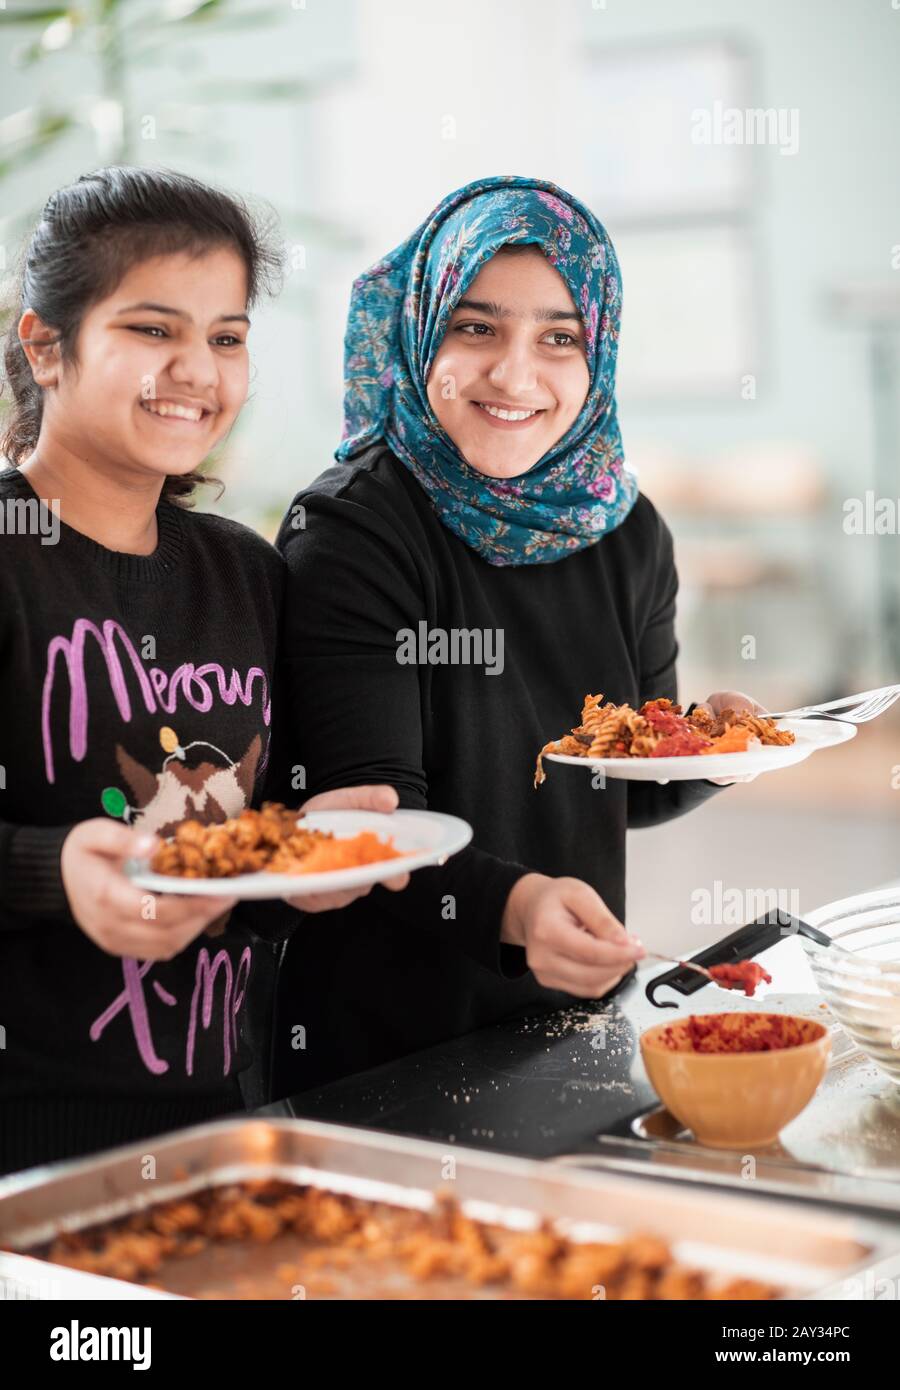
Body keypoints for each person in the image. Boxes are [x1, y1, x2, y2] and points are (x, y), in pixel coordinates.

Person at [272, 174, 762, 1097]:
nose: (515, 375)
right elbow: (367, 824)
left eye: (559, 338)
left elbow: (623, 792)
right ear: (421, 332)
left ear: (600, 353)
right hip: (384, 1047)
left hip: (569, 1020)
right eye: (476, 326)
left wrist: (713, 747)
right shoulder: (353, 531)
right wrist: (517, 905)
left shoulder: (626, 529)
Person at [0, 166, 405, 1175]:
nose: (197, 368)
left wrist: (308, 865)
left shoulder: (246, 571)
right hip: (27, 1136)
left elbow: (241, 865)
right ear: (44, 344)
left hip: (219, 1115)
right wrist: (51, 872)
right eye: (152, 329)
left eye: (225, 337)